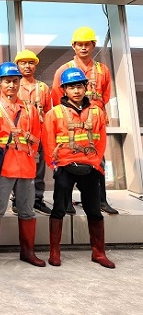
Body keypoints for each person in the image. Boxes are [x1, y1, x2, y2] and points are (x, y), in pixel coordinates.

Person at [43, 67, 115, 268]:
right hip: (65, 166)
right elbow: (48, 142)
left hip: (89, 166)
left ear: (85, 87)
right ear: (64, 90)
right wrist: (55, 166)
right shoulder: (54, 113)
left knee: (94, 210)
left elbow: (101, 141)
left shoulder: (97, 112)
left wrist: (95, 163)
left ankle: (98, 252)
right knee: (58, 209)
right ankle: (54, 252)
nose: (76, 91)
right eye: (71, 87)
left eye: (79, 86)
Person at [50, 26, 117, 215]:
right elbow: (56, 96)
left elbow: (105, 96)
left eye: (87, 44)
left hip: (93, 123)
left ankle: (101, 200)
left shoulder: (102, 70)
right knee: (68, 162)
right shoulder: (64, 70)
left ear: (93, 45)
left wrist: (102, 114)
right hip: (70, 122)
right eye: (80, 44)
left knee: (98, 160)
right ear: (73, 46)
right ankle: (67, 202)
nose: (84, 47)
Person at [0, 62, 45, 268]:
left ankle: (28, 252)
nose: (11, 85)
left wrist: (30, 155)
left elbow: (37, 137)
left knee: (27, 211)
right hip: (4, 168)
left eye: (14, 81)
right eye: (7, 81)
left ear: (19, 83)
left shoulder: (30, 109)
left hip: (26, 167)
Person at [11, 49, 53, 215]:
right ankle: (17, 200)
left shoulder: (43, 88)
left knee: (39, 169)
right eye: (23, 63)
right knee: (18, 167)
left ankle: (37, 199)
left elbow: (48, 113)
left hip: (39, 135)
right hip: (20, 135)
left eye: (31, 63)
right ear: (17, 65)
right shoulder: (14, 86)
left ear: (35, 66)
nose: (27, 66)